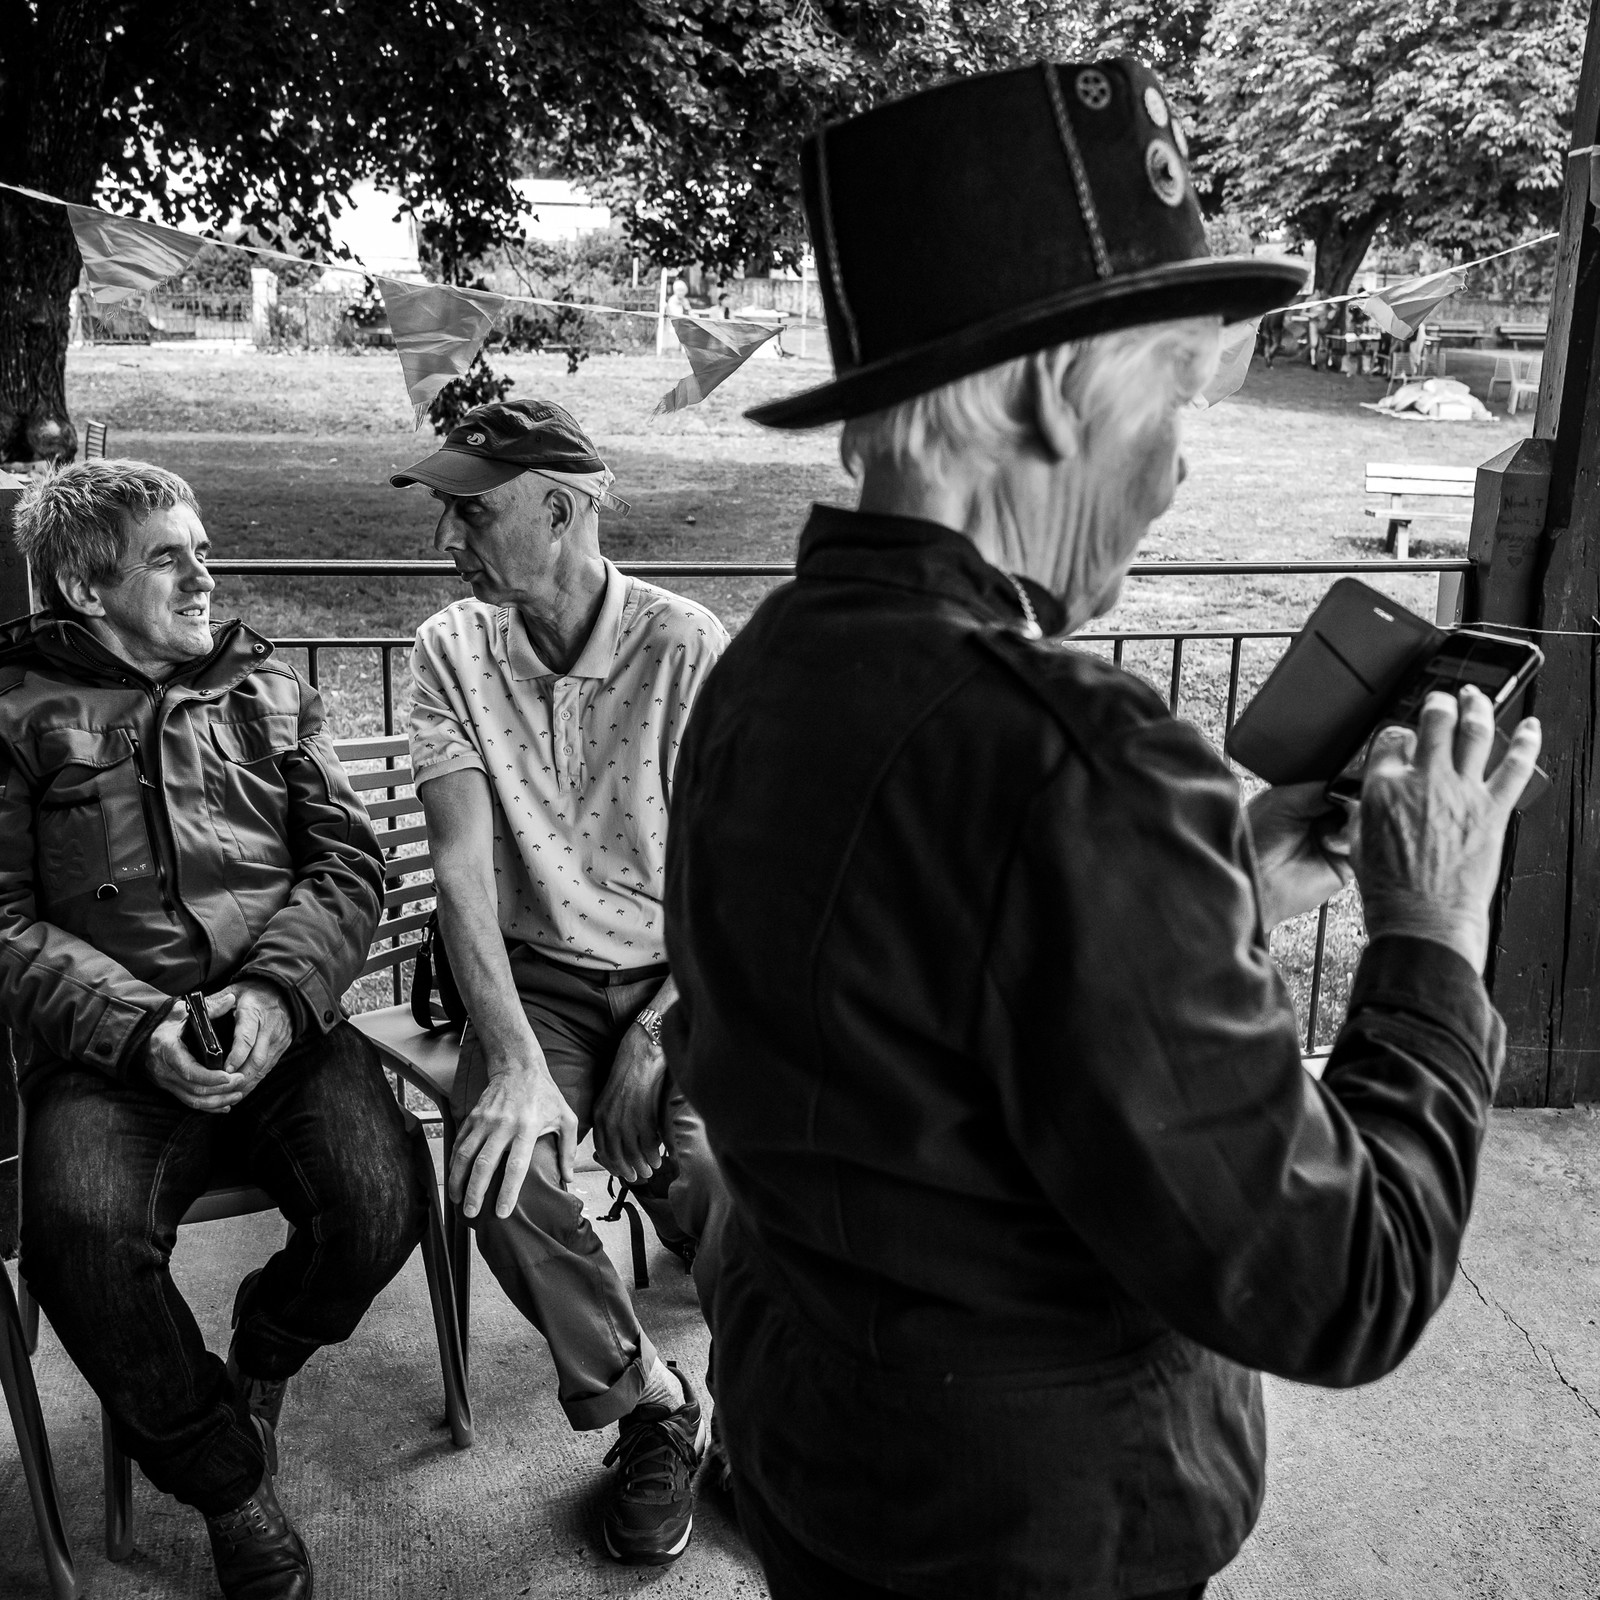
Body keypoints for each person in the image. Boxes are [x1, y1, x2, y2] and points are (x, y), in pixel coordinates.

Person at [662, 59, 1542, 1600]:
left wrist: (1228, 876)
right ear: (1043, 391)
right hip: (1036, 1539)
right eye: (1173, 398)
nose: (1182, 461)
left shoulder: (763, 671)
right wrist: (1434, 938)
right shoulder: (1074, 757)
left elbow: (916, 1001)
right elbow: (1346, 1280)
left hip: (823, 1461)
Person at [2, 460, 423, 1600]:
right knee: (79, 1241)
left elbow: (347, 862)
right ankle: (229, 1484)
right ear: (86, 589)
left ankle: (265, 1345)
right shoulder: (13, 712)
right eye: (168, 558)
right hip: (109, 1053)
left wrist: (279, 997)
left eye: (204, 550)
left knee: (383, 1201)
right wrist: (140, 1030)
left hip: (279, 1020)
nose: (205, 577)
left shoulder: (265, 684)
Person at [389, 399, 730, 1566]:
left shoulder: (684, 646)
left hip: (684, 976)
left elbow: (737, 885)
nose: (447, 541)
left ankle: (763, 1402)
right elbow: (461, 871)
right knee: (495, 1174)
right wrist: (518, 1063)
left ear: (562, 508)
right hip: (533, 979)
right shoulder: (451, 647)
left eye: (471, 512)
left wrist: (655, 1040)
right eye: (445, 513)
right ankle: (655, 1408)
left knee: (725, 1173)